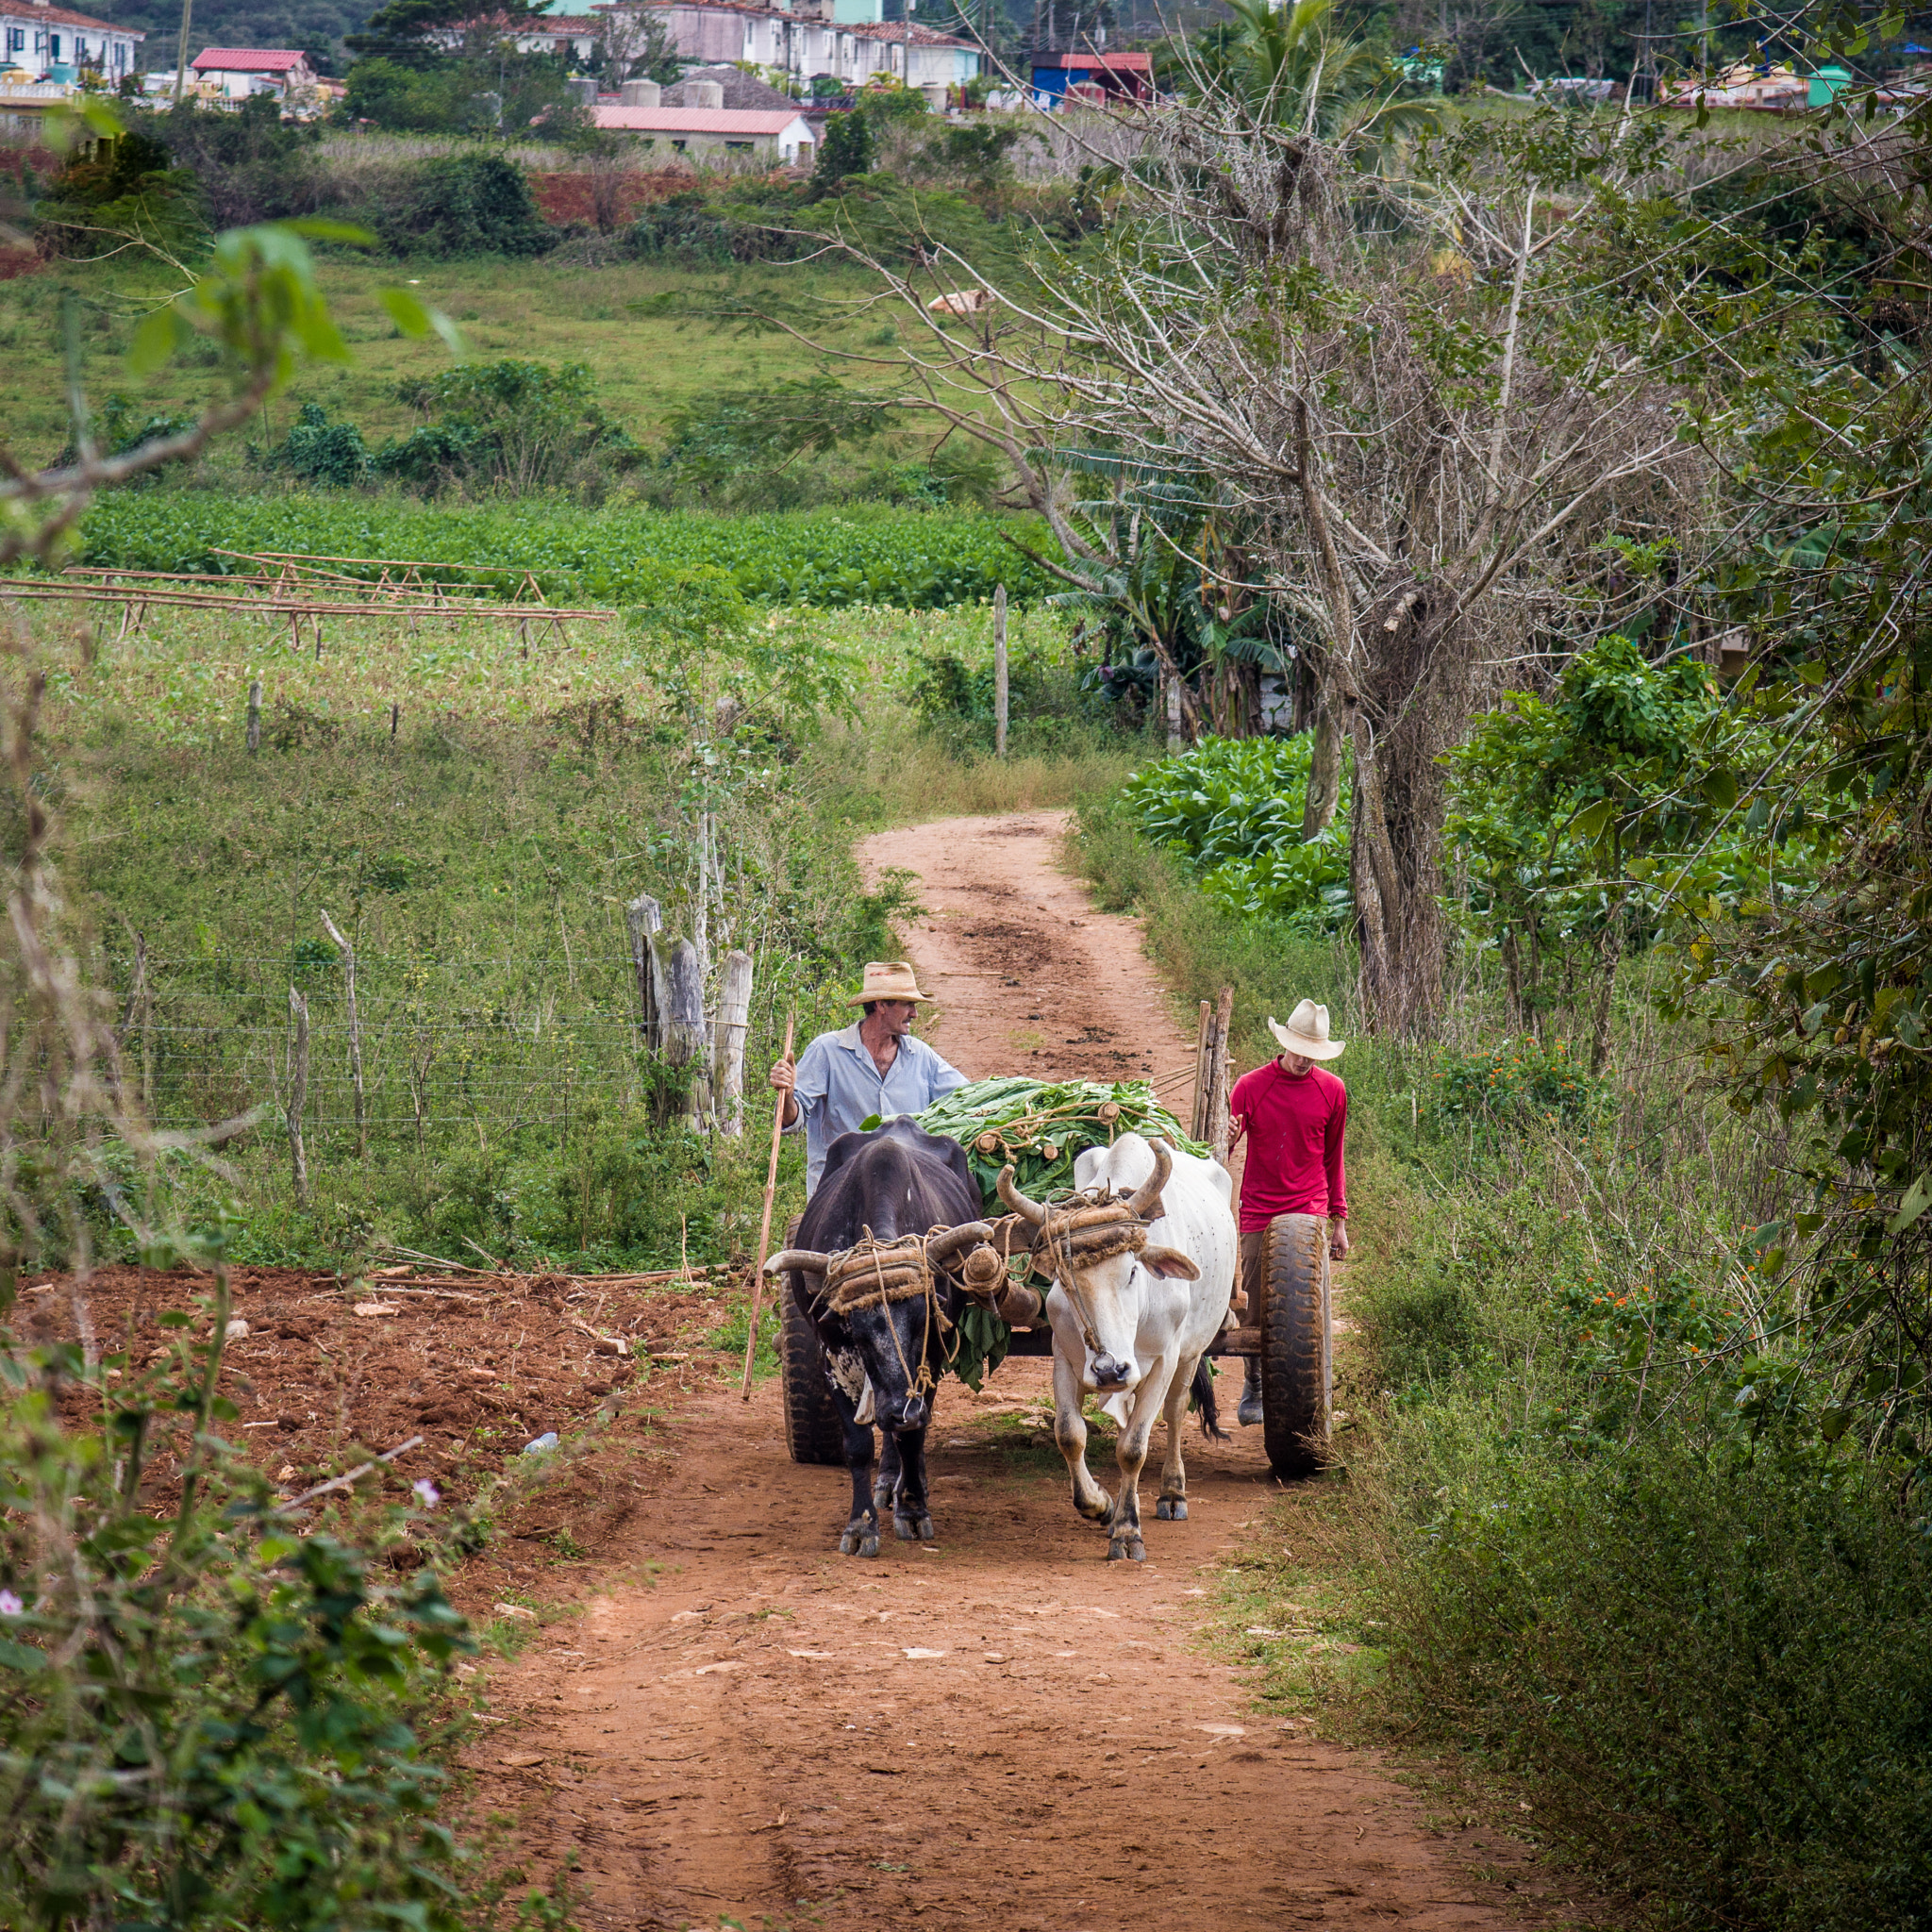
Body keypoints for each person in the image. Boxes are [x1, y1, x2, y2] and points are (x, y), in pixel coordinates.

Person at [1225, 998, 1349, 1427]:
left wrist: (1339, 1221)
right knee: (1257, 1304)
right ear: (1283, 1043)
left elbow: (1334, 1157)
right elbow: (1220, 1152)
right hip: (1259, 1208)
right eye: (1298, 1050)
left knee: (1304, 1306)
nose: (1303, 1060)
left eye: (1311, 1054)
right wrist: (1224, 1137)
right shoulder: (1250, 1086)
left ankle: (1307, 1392)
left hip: (1310, 1208)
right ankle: (1255, 1384)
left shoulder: (1332, 1090)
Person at [769, 960, 968, 1199]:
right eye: (908, 1005)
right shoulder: (827, 1051)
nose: (914, 1014)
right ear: (882, 1005)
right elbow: (791, 1121)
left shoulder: (921, 1057)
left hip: (907, 1194)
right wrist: (789, 1094)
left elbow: (966, 1098)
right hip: (840, 1193)